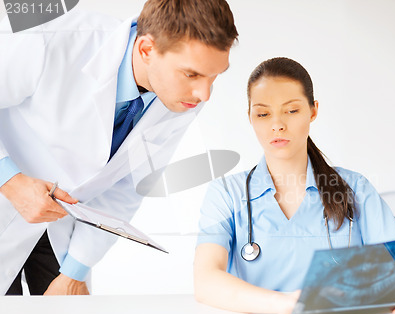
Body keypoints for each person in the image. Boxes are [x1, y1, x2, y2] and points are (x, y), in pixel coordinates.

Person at [0, 0, 238, 296]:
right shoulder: (55, 39)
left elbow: (128, 184)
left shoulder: (182, 98)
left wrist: (75, 271)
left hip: (59, 229)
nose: (205, 94)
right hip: (4, 203)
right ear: (147, 50)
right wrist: (8, 180)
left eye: (215, 75)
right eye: (192, 75)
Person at [194, 57, 395, 314]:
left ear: (313, 111)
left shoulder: (353, 188)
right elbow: (206, 280)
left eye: (291, 110)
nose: (277, 124)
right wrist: (285, 304)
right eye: (263, 113)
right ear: (250, 118)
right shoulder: (226, 194)